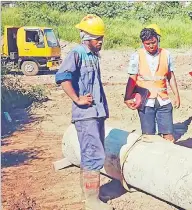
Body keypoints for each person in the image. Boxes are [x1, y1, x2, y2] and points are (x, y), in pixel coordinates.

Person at [55, 14, 112, 210]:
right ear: (86, 37)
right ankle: (92, 201)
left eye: (102, 38)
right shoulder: (77, 53)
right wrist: (77, 99)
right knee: (93, 154)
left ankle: (92, 193)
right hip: (86, 114)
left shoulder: (93, 56)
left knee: (94, 153)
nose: (101, 42)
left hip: (96, 112)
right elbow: (63, 77)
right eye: (98, 38)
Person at [124, 26, 180, 142]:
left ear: (157, 40)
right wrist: (127, 97)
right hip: (145, 101)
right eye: (147, 43)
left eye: (153, 42)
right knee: (149, 136)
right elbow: (132, 79)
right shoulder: (137, 56)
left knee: (168, 136)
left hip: (163, 100)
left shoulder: (166, 54)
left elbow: (171, 76)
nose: (151, 46)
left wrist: (177, 95)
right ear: (143, 43)